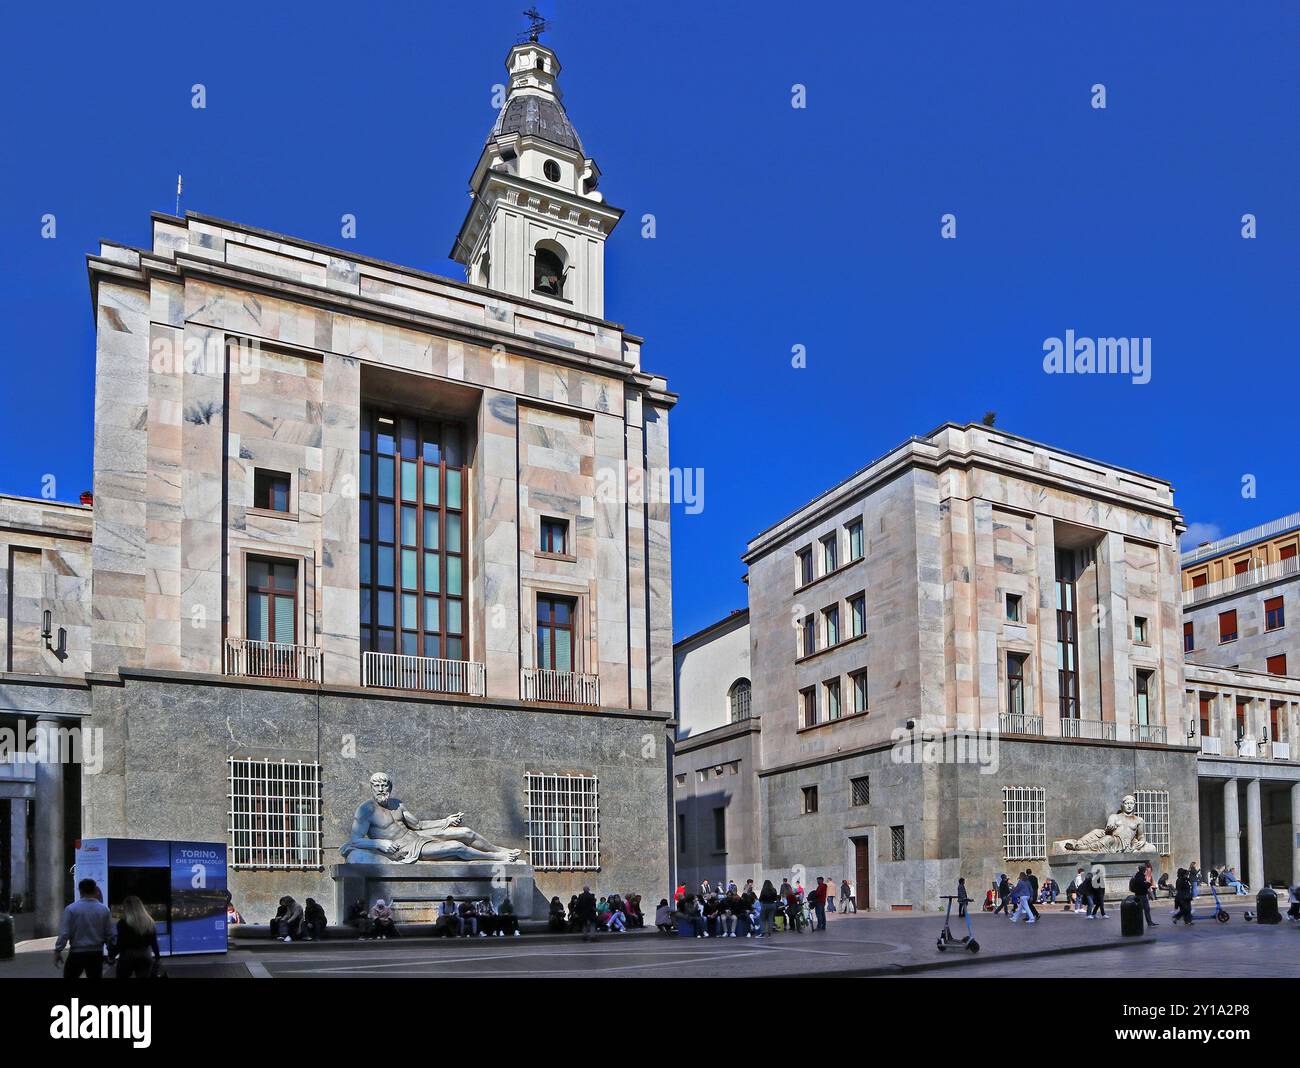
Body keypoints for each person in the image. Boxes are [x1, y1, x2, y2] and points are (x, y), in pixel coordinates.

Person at [54, 878, 114, 979]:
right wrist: (111, 952)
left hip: (76, 953)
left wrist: (58, 950)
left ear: (80, 891)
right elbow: (109, 934)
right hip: (96, 953)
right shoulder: (104, 910)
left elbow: (64, 933)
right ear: (95, 891)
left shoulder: (71, 909)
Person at [113, 895, 161, 979]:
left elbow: (121, 943)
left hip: (127, 956)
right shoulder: (149, 922)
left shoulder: (122, 923)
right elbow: (153, 942)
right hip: (145, 954)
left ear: (126, 908)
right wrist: (157, 957)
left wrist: (112, 955)